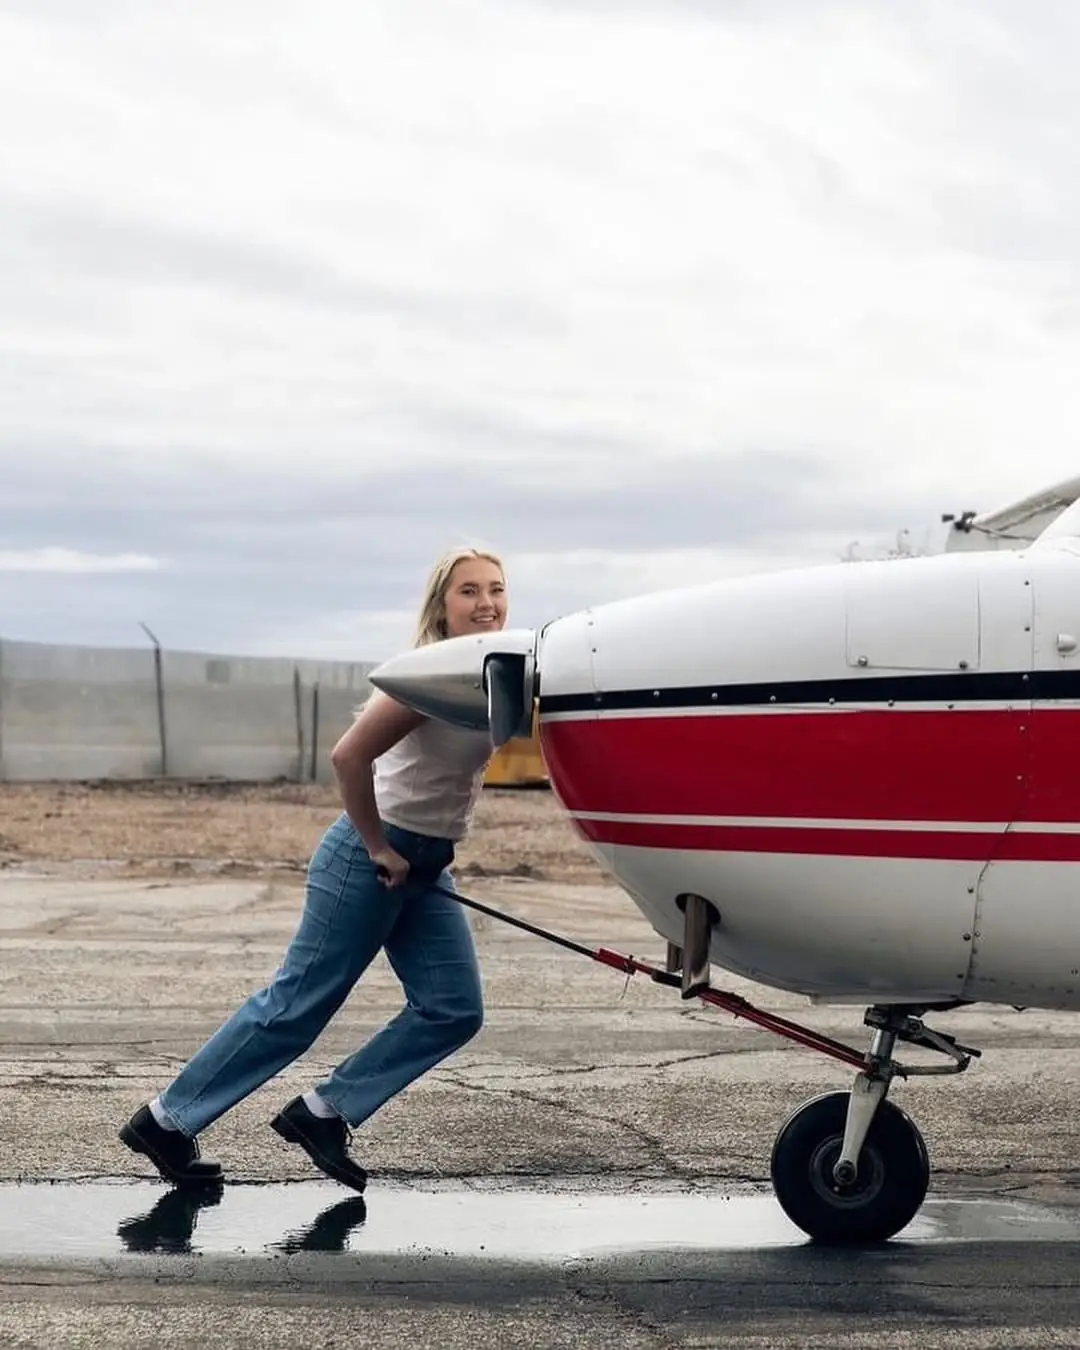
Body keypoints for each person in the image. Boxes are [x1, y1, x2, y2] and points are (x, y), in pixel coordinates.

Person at [119, 545, 508, 1192]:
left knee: (452, 1008)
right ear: (442, 607)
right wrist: (379, 845)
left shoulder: (492, 674)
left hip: (428, 865)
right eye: (468, 591)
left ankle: (323, 1112)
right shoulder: (430, 674)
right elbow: (347, 758)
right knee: (297, 1006)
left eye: (496, 588)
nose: (487, 602)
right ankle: (166, 1120)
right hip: (369, 855)